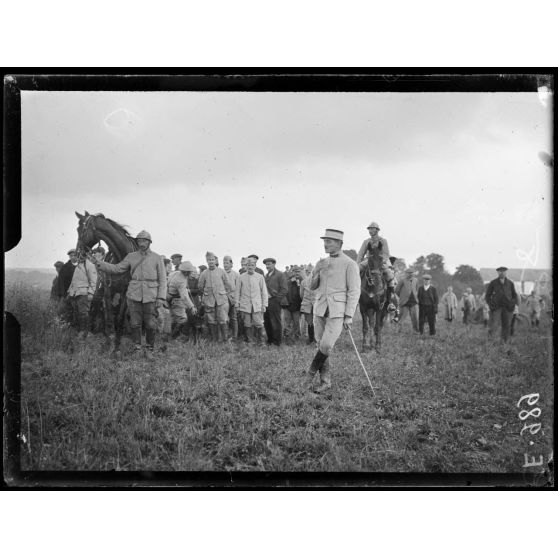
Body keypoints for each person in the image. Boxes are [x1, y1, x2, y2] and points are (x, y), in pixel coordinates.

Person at [90, 230, 167, 356]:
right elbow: (116, 269)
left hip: (151, 295)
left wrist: (161, 297)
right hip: (134, 294)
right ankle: (137, 348)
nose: (141, 243)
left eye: (144, 241)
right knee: (135, 322)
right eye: (140, 241)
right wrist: (98, 263)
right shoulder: (131, 257)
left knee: (150, 323)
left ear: (149, 242)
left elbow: (163, 280)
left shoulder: (157, 258)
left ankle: (149, 349)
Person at [305, 229, 360, 394]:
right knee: (319, 344)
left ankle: (309, 375)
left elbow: (354, 291)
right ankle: (325, 381)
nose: (325, 244)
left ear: (339, 243)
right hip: (320, 309)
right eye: (324, 241)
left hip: (338, 311)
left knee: (326, 345)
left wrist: (349, 315)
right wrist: (315, 271)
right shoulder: (321, 262)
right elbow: (310, 286)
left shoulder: (350, 264)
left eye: (329, 241)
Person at [198, 252, 234, 343]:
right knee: (211, 320)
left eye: (212, 260)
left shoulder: (221, 271)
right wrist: (207, 293)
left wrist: (222, 292)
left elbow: (228, 285)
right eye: (209, 260)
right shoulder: (204, 273)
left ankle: (225, 340)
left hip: (221, 300)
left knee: (222, 319)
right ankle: (214, 339)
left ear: (215, 260)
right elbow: (200, 286)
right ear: (207, 261)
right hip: (209, 300)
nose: (211, 262)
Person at [235, 256, 269, 345]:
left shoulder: (260, 277)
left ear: (255, 266)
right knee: (247, 324)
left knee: (259, 323)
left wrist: (264, 305)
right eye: (248, 265)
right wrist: (237, 304)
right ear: (246, 266)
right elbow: (237, 292)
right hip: (245, 305)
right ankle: (250, 341)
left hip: (257, 305)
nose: (250, 267)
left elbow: (264, 292)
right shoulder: (241, 277)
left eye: (252, 265)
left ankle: (262, 342)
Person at [356, 221, 395, 296]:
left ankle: (391, 294)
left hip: (380, 260)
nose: (370, 231)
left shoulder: (383, 241)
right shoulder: (366, 241)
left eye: (372, 229)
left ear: (377, 230)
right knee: (355, 270)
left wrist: (381, 261)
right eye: (369, 229)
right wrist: (358, 263)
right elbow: (361, 254)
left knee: (389, 273)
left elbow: (386, 254)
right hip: (369, 260)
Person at [67, 250, 98, 338]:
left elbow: (93, 281)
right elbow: (74, 281)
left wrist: (91, 293)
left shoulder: (89, 265)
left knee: (84, 313)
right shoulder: (78, 266)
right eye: (71, 256)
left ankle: (86, 332)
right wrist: (69, 292)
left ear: (81, 255)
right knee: (78, 313)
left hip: (84, 293)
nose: (73, 257)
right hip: (75, 293)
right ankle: (80, 331)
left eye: (75, 255)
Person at [485, 266, 518, 343]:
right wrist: (491, 304)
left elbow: (514, 295)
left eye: (503, 271)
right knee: (494, 325)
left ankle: (504, 342)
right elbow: (487, 295)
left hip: (507, 308)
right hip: (496, 307)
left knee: (506, 325)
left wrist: (512, 304)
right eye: (500, 271)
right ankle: (491, 342)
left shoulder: (510, 283)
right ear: (498, 272)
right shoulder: (493, 282)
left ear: (506, 272)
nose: (502, 273)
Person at [167, 261, 197, 340]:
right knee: (183, 319)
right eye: (190, 271)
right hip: (176, 300)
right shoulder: (181, 280)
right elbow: (184, 297)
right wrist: (192, 307)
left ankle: (170, 337)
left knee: (174, 319)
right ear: (187, 272)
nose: (191, 273)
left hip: (170, 298)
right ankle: (173, 337)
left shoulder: (176, 273)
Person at [263, 257, 288, 346]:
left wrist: (277, 300)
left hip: (275, 301)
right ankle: (270, 340)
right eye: (266, 264)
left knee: (276, 322)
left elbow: (284, 289)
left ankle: (277, 342)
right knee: (267, 321)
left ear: (274, 264)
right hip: (266, 302)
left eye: (269, 264)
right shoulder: (266, 275)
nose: (267, 266)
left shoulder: (280, 274)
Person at [395, 268, 419, 332]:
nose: (410, 274)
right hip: (404, 302)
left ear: (413, 274)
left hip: (413, 302)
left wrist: (415, 296)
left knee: (415, 317)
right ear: (406, 274)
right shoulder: (402, 280)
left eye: (412, 273)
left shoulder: (416, 280)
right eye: (409, 273)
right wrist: (402, 297)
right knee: (402, 317)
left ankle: (416, 330)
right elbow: (397, 290)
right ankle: (399, 330)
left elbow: (416, 289)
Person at [284, 265, 303, 341]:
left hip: (297, 306)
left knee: (296, 323)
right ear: (292, 272)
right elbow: (285, 289)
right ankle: (287, 337)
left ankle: (297, 337)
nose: (297, 273)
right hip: (288, 305)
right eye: (295, 271)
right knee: (287, 322)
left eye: (298, 271)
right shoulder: (288, 280)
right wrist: (291, 281)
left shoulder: (302, 280)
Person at [223, 255, 240, 340]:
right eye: (224, 263)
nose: (225, 265)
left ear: (231, 264)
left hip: (233, 299)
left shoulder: (236, 275)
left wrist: (236, 301)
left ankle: (235, 336)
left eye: (227, 263)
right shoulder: (220, 273)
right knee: (224, 318)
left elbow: (238, 289)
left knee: (233, 318)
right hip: (223, 300)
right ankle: (225, 336)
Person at [299, 266, 316, 344]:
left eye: (311, 271)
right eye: (308, 272)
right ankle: (311, 338)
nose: (309, 273)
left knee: (317, 322)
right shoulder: (304, 282)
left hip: (317, 305)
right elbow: (301, 295)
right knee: (309, 322)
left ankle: (317, 339)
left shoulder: (318, 280)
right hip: (308, 305)